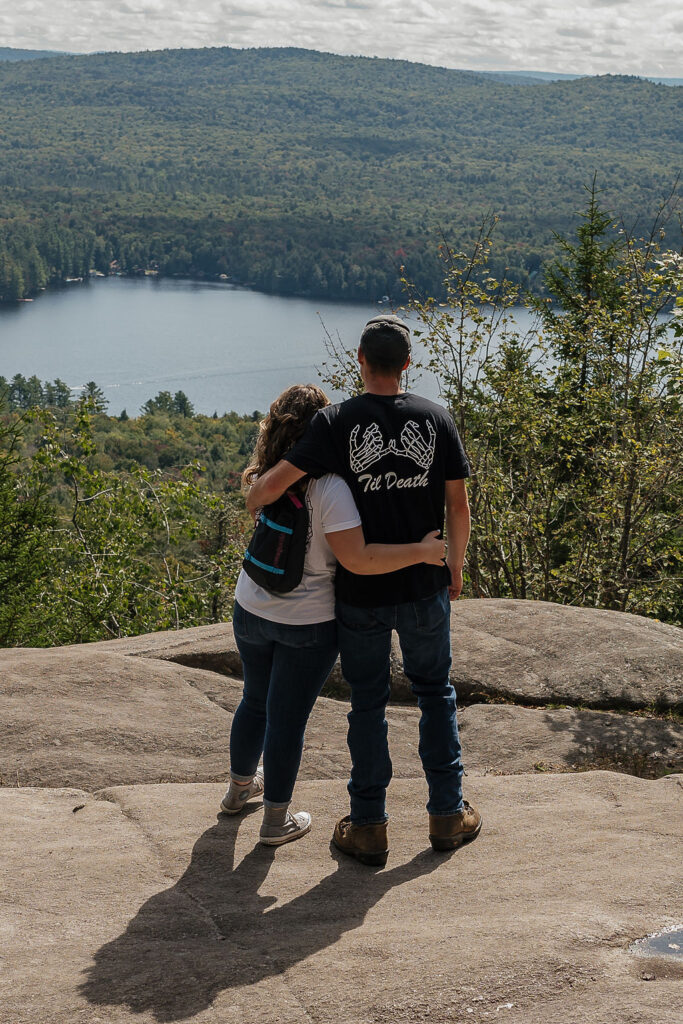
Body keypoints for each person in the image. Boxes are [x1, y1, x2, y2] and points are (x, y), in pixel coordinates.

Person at [247, 316, 481, 866]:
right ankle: (447, 813)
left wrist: (258, 489)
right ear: (406, 363)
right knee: (435, 694)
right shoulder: (437, 418)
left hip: (362, 595)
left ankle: (369, 825)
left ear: (359, 359)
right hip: (424, 586)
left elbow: (268, 491)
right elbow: (459, 507)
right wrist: (455, 567)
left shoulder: (334, 422)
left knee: (368, 703)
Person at [222, 382, 447, 847]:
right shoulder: (331, 488)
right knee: (287, 719)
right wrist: (424, 551)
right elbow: (359, 561)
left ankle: (238, 792)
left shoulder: (265, 478)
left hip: (250, 605)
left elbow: (252, 501)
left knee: (254, 700)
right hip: (306, 621)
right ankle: (274, 822)